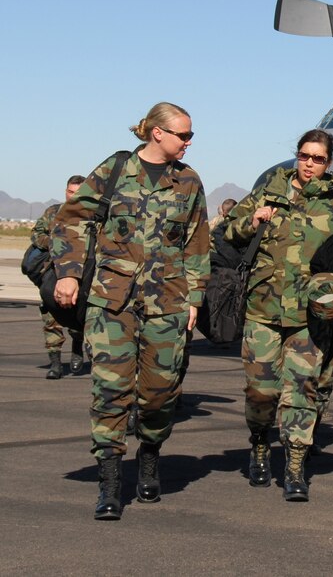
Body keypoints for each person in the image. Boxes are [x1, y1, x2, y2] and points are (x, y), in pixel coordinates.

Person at [51, 102, 210, 520]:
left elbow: (196, 243)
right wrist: (68, 273)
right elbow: (71, 220)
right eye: (183, 134)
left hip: (168, 302)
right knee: (109, 392)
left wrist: (194, 299)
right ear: (157, 133)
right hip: (112, 301)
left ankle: (150, 453)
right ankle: (109, 481)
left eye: (191, 135)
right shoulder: (115, 170)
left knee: (160, 394)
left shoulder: (189, 181)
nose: (189, 142)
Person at [225, 129, 333, 501]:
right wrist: (252, 221)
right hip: (262, 310)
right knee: (260, 393)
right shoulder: (267, 193)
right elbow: (228, 232)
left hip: (309, 317)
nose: (310, 164)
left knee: (302, 391)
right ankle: (260, 445)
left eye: (318, 159)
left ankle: (295, 466)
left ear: (329, 163)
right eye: (304, 156)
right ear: (296, 156)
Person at [30, 175, 86, 379]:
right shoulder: (53, 212)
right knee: (50, 317)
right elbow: (36, 235)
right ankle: (55, 363)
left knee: (79, 317)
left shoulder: (91, 216)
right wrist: (56, 244)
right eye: (70, 192)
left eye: (78, 192)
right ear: (65, 191)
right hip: (52, 273)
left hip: (79, 276)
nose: (73, 196)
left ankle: (77, 351)